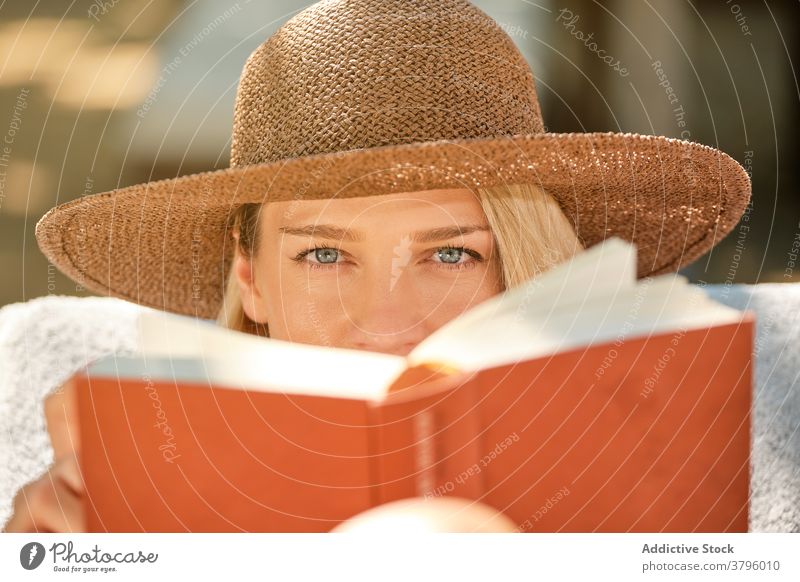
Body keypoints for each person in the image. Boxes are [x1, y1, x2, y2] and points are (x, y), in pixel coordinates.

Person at [4, 0, 751, 533]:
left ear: (526, 273)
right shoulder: (133, 492)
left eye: (450, 253)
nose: (386, 324)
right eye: (324, 254)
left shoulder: (644, 459)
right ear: (250, 277)